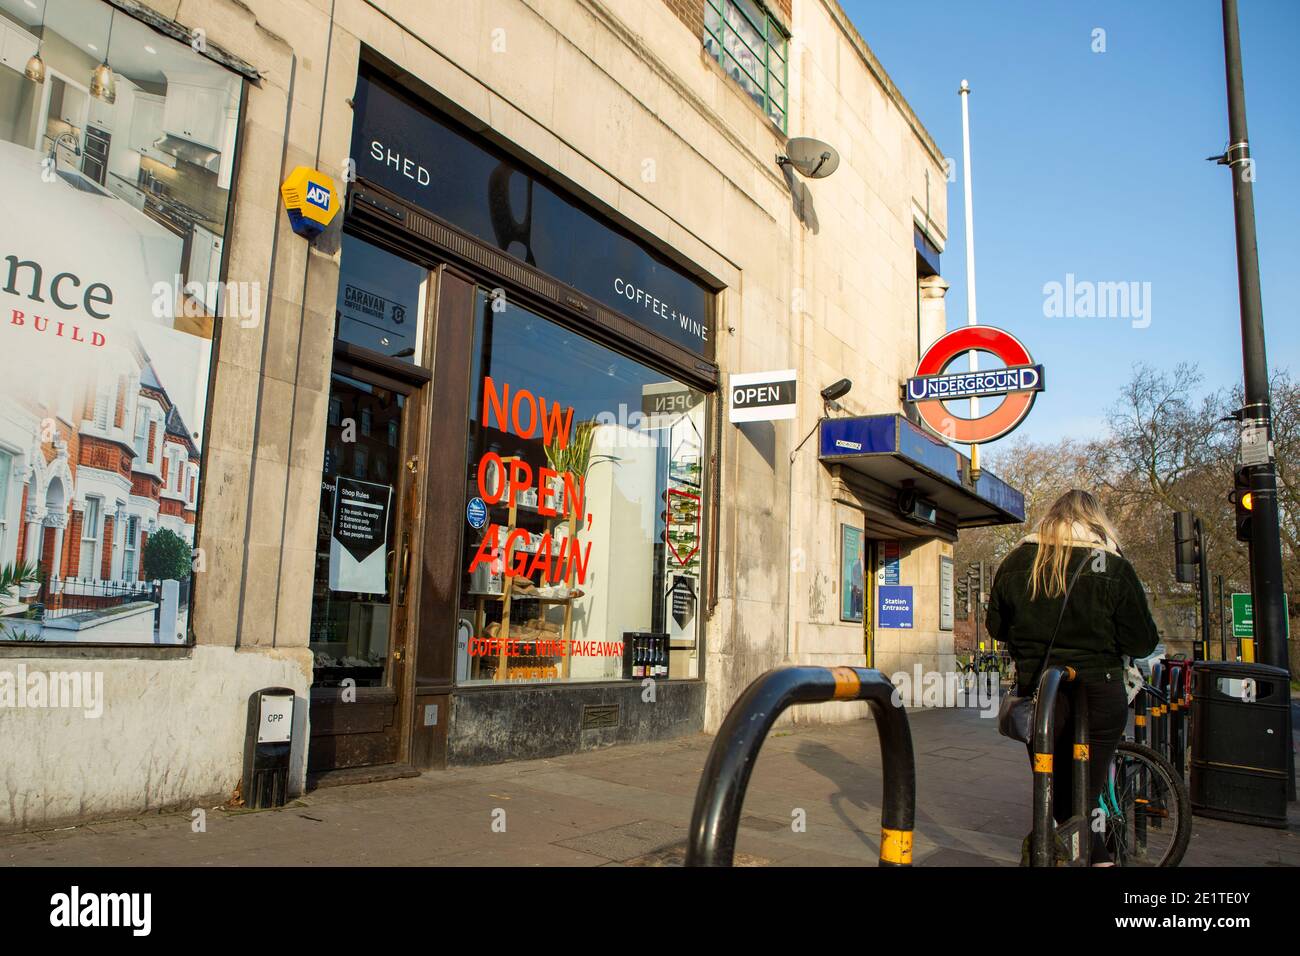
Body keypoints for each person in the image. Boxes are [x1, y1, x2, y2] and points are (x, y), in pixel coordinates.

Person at [985, 489, 1159, 865]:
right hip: (1100, 694)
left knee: (1059, 795)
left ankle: (1085, 854)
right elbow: (1143, 641)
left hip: (1042, 695)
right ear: (1096, 521)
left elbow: (996, 627)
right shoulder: (1112, 565)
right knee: (1081, 794)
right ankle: (1098, 859)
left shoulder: (1018, 561)